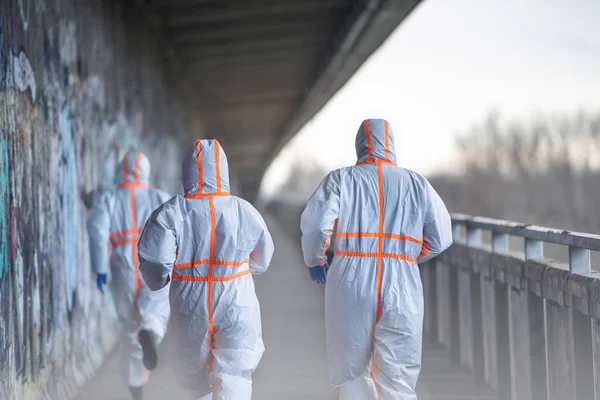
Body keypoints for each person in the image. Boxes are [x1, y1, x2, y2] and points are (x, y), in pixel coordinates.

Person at [301, 119, 452, 400]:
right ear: (391, 145)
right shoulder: (416, 183)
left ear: (358, 145)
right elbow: (441, 236)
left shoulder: (340, 179)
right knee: (398, 373)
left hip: (351, 277)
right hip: (401, 281)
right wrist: (407, 257)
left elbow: (315, 225)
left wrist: (315, 259)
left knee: (353, 370)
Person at [138, 139, 274, 400]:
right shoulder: (244, 210)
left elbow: (154, 262)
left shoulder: (171, 212)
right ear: (223, 170)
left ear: (186, 171)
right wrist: (242, 269)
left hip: (190, 300)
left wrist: (162, 279)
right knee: (235, 372)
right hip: (236, 295)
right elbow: (263, 258)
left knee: (195, 377)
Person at [88, 152, 171, 400]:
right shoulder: (159, 197)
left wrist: (100, 268)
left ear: (121, 171)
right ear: (145, 171)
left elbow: (98, 232)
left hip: (122, 268)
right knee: (156, 308)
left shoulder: (109, 200)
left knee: (129, 328)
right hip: (152, 264)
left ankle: (137, 391)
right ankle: (151, 332)